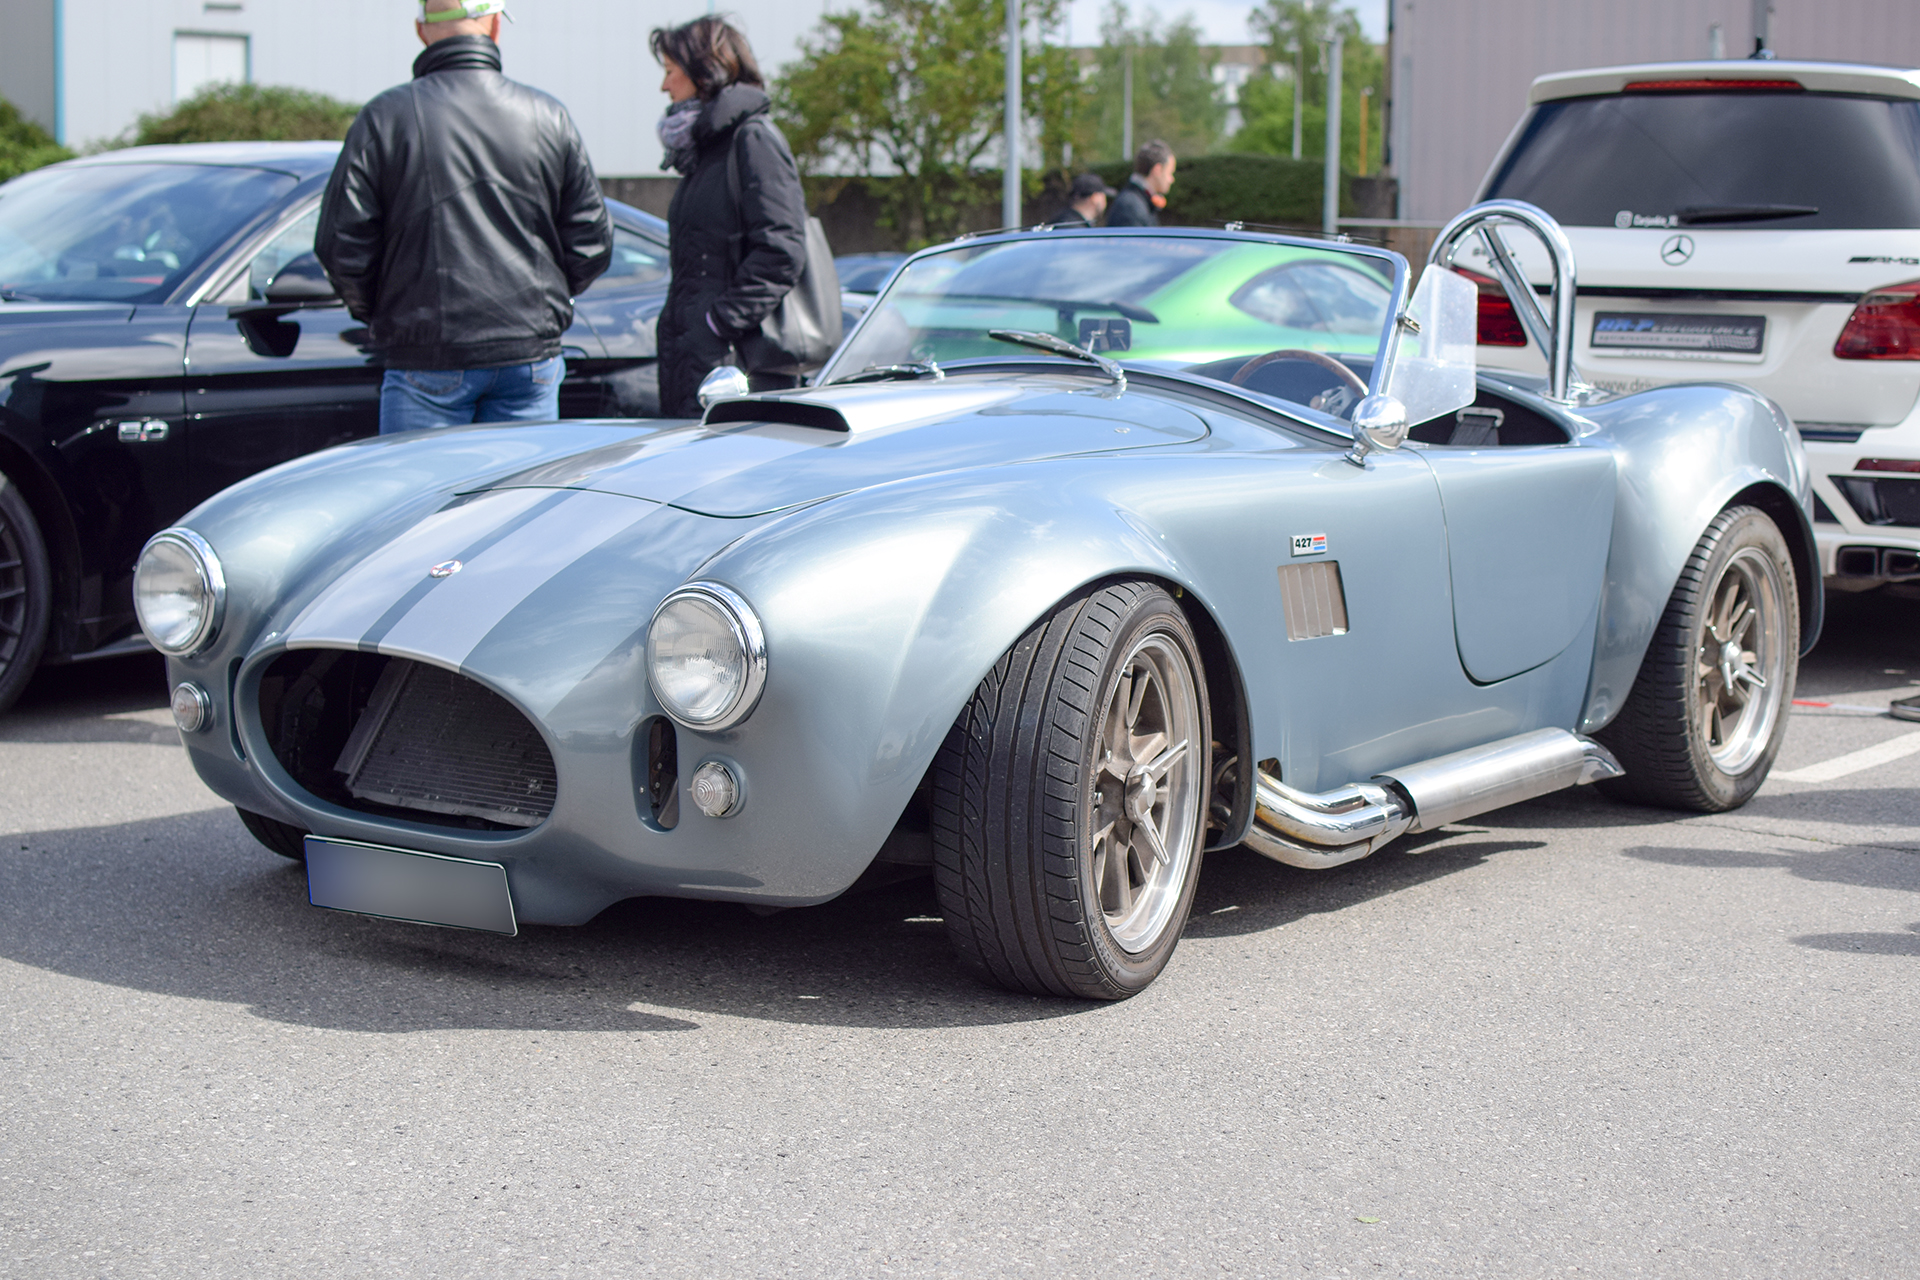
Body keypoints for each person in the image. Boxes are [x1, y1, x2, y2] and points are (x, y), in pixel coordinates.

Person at [316, 1, 612, 434]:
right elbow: (592, 241)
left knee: (425, 501)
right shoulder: (547, 114)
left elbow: (341, 243)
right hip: (528, 356)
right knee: (518, 499)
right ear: (495, 26)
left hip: (426, 356)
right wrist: (544, 302)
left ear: (421, 31)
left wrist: (382, 312)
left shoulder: (385, 116)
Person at [650, 16, 810, 417]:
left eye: (671, 71)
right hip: (699, 357)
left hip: (733, 366)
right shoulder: (705, 152)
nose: (664, 85)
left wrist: (717, 323)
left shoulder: (752, 139)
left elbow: (782, 251)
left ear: (705, 73)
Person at [1106, 140, 1176, 228]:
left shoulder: (1138, 201)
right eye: (1170, 173)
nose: (1172, 179)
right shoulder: (1131, 206)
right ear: (1157, 170)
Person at [1050, 172, 1117, 228]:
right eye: (1103, 196)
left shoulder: (1065, 222)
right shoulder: (1076, 230)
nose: (1105, 201)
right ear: (1095, 198)